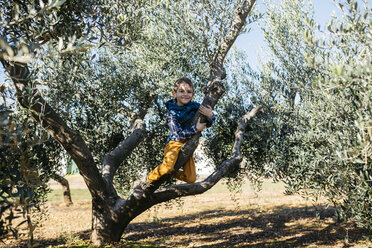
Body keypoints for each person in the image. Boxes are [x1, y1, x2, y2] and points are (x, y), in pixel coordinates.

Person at [146, 77, 214, 184]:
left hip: (187, 146)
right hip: (174, 143)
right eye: (181, 91)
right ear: (174, 93)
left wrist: (210, 116)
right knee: (166, 168)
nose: (185, 94)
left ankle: (172, 173)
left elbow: (207, 123)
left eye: (189, 92)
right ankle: (148, 179)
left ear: (193, 94)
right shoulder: (172, 113)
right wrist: (195, 129)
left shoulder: (196, 107)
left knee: (191, 178)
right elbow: (178, 134)